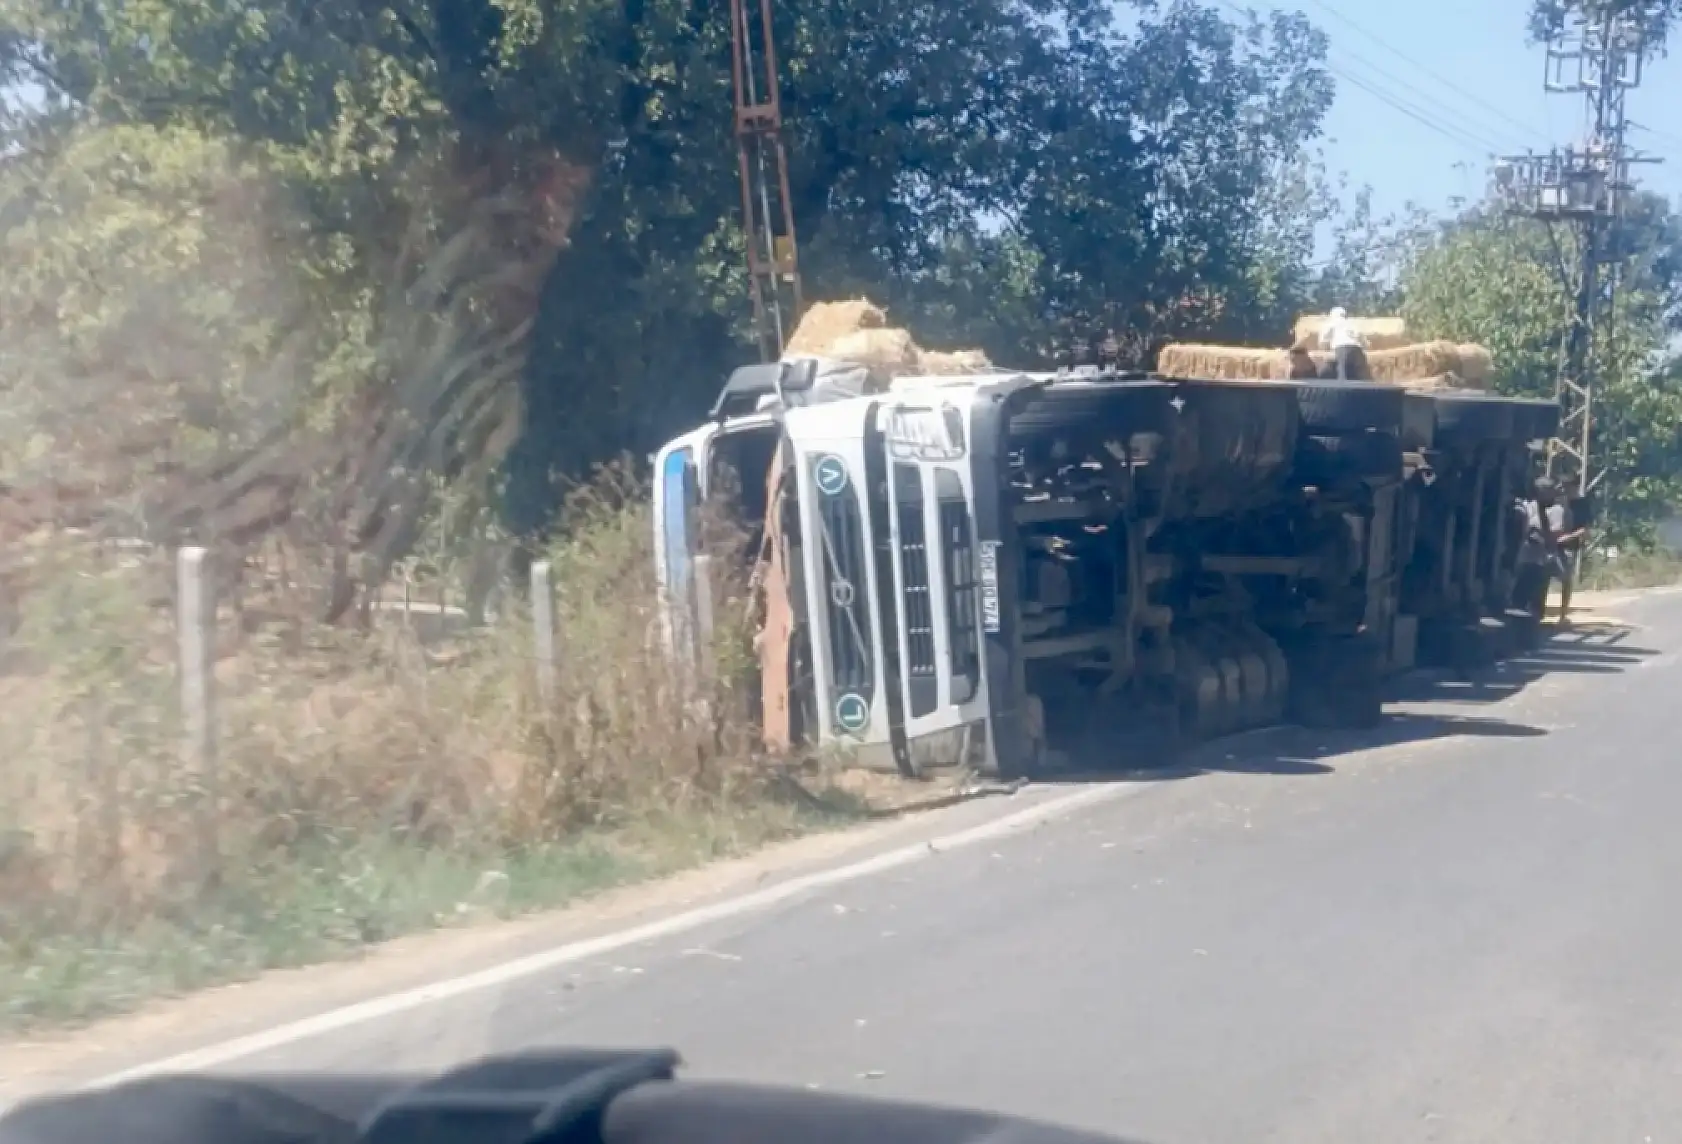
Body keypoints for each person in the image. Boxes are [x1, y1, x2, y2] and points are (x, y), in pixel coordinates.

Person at [1317, 306, 1369, 381]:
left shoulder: (1331, 323)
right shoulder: (1351, 323)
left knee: (1342, 373)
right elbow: (1359, 335)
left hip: (1342, 348)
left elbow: (1323, 339)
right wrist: (1365, 345)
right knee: (1359, 373)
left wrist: (1323, 348)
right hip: (1357, 349)